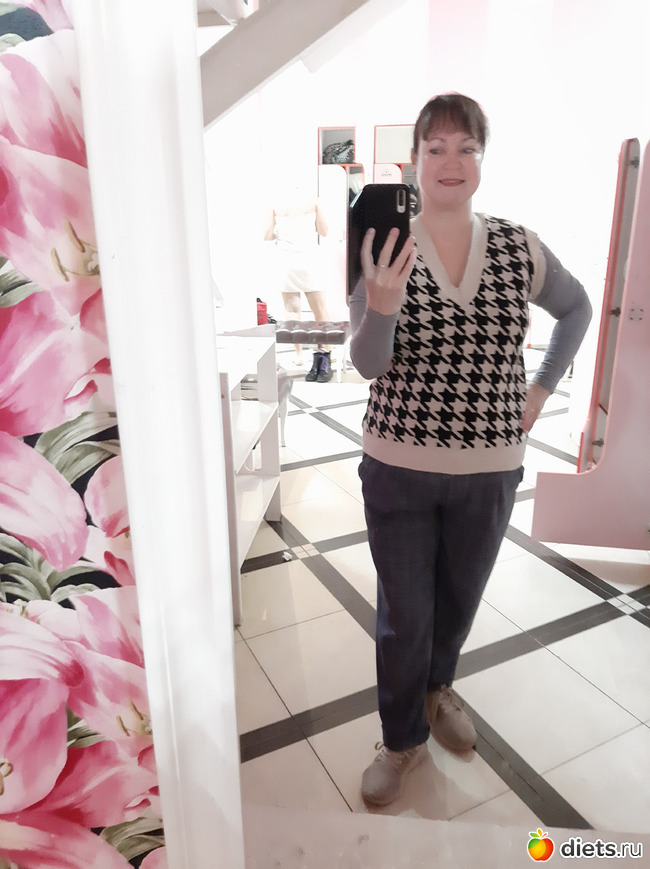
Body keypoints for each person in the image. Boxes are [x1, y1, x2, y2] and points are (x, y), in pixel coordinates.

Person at [349, 93, 592, 807]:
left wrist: (540, 389)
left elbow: (577, 308)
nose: (450, 161)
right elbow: (366, 364)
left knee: (458, 601)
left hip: (490, 468)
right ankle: (401, 739)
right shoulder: (383, 244)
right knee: (404, 615)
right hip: (398, 463)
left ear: (482, 159)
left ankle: (438, 688)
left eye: (466, 147)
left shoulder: (519, 246)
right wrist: (383, 306)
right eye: (436, 147)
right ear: (415, 160)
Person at [264, 185, 333, 382]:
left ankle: (299, 355)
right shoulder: (313, 200)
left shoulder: (275, 203)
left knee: (292, 311)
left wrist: (280, 234)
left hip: (287, 259)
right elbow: (324, 231)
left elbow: (267, 235)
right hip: (309, 257)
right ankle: (325, 351)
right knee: (320, 311)